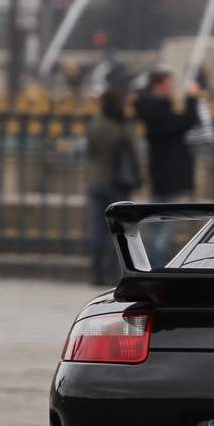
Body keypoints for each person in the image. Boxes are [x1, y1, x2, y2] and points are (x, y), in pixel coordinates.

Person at [134, 67, 202, 266]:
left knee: (160, 227)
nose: (172, 89)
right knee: (162, 229)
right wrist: (191, 98)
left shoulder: (153, 108)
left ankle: (152, 266)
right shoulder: (157, 110)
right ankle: (155, 269)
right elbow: (185, 122)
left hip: (164, 174)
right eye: (169, 84)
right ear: (158, 86)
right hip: (168, 175)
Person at [85, 87, 141, 286]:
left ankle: (96, 273)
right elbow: (133, 152)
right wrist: (139, 174)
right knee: (115, 231)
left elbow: (90, 150)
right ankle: (111, 273)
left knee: (97, 230)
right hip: (117, 182)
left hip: (96, 180)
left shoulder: (96, 123)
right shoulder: (122, 125)